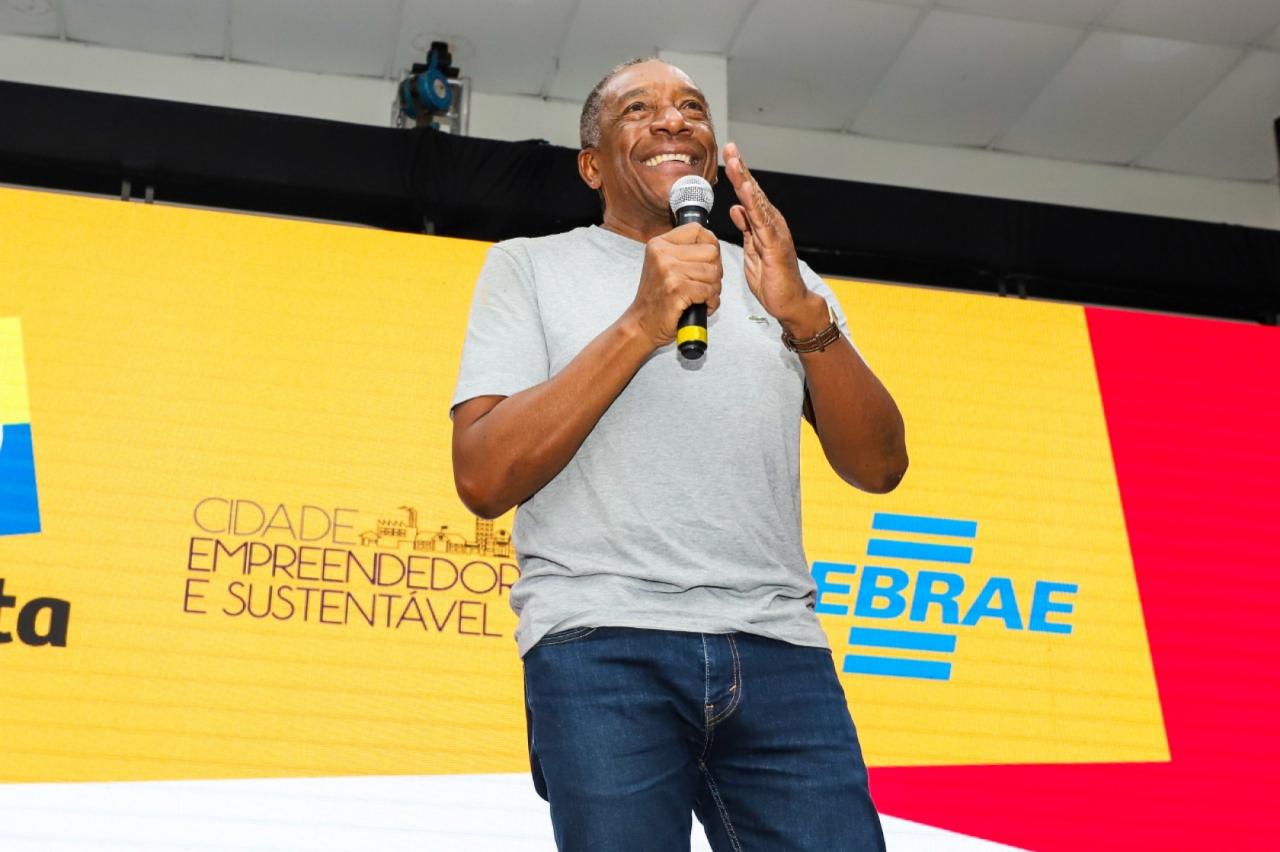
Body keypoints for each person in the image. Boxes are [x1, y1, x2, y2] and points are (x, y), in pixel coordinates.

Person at [450, 57, 907, 852]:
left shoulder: (781, 278)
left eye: (692, 107)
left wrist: (805, 315)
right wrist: (642, 321)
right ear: (592, 166)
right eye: (639, 109)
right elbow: (482, 477)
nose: (673, 120)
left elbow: (879, 466)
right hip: (603, 643)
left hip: (779, 647)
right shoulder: (528, 266)